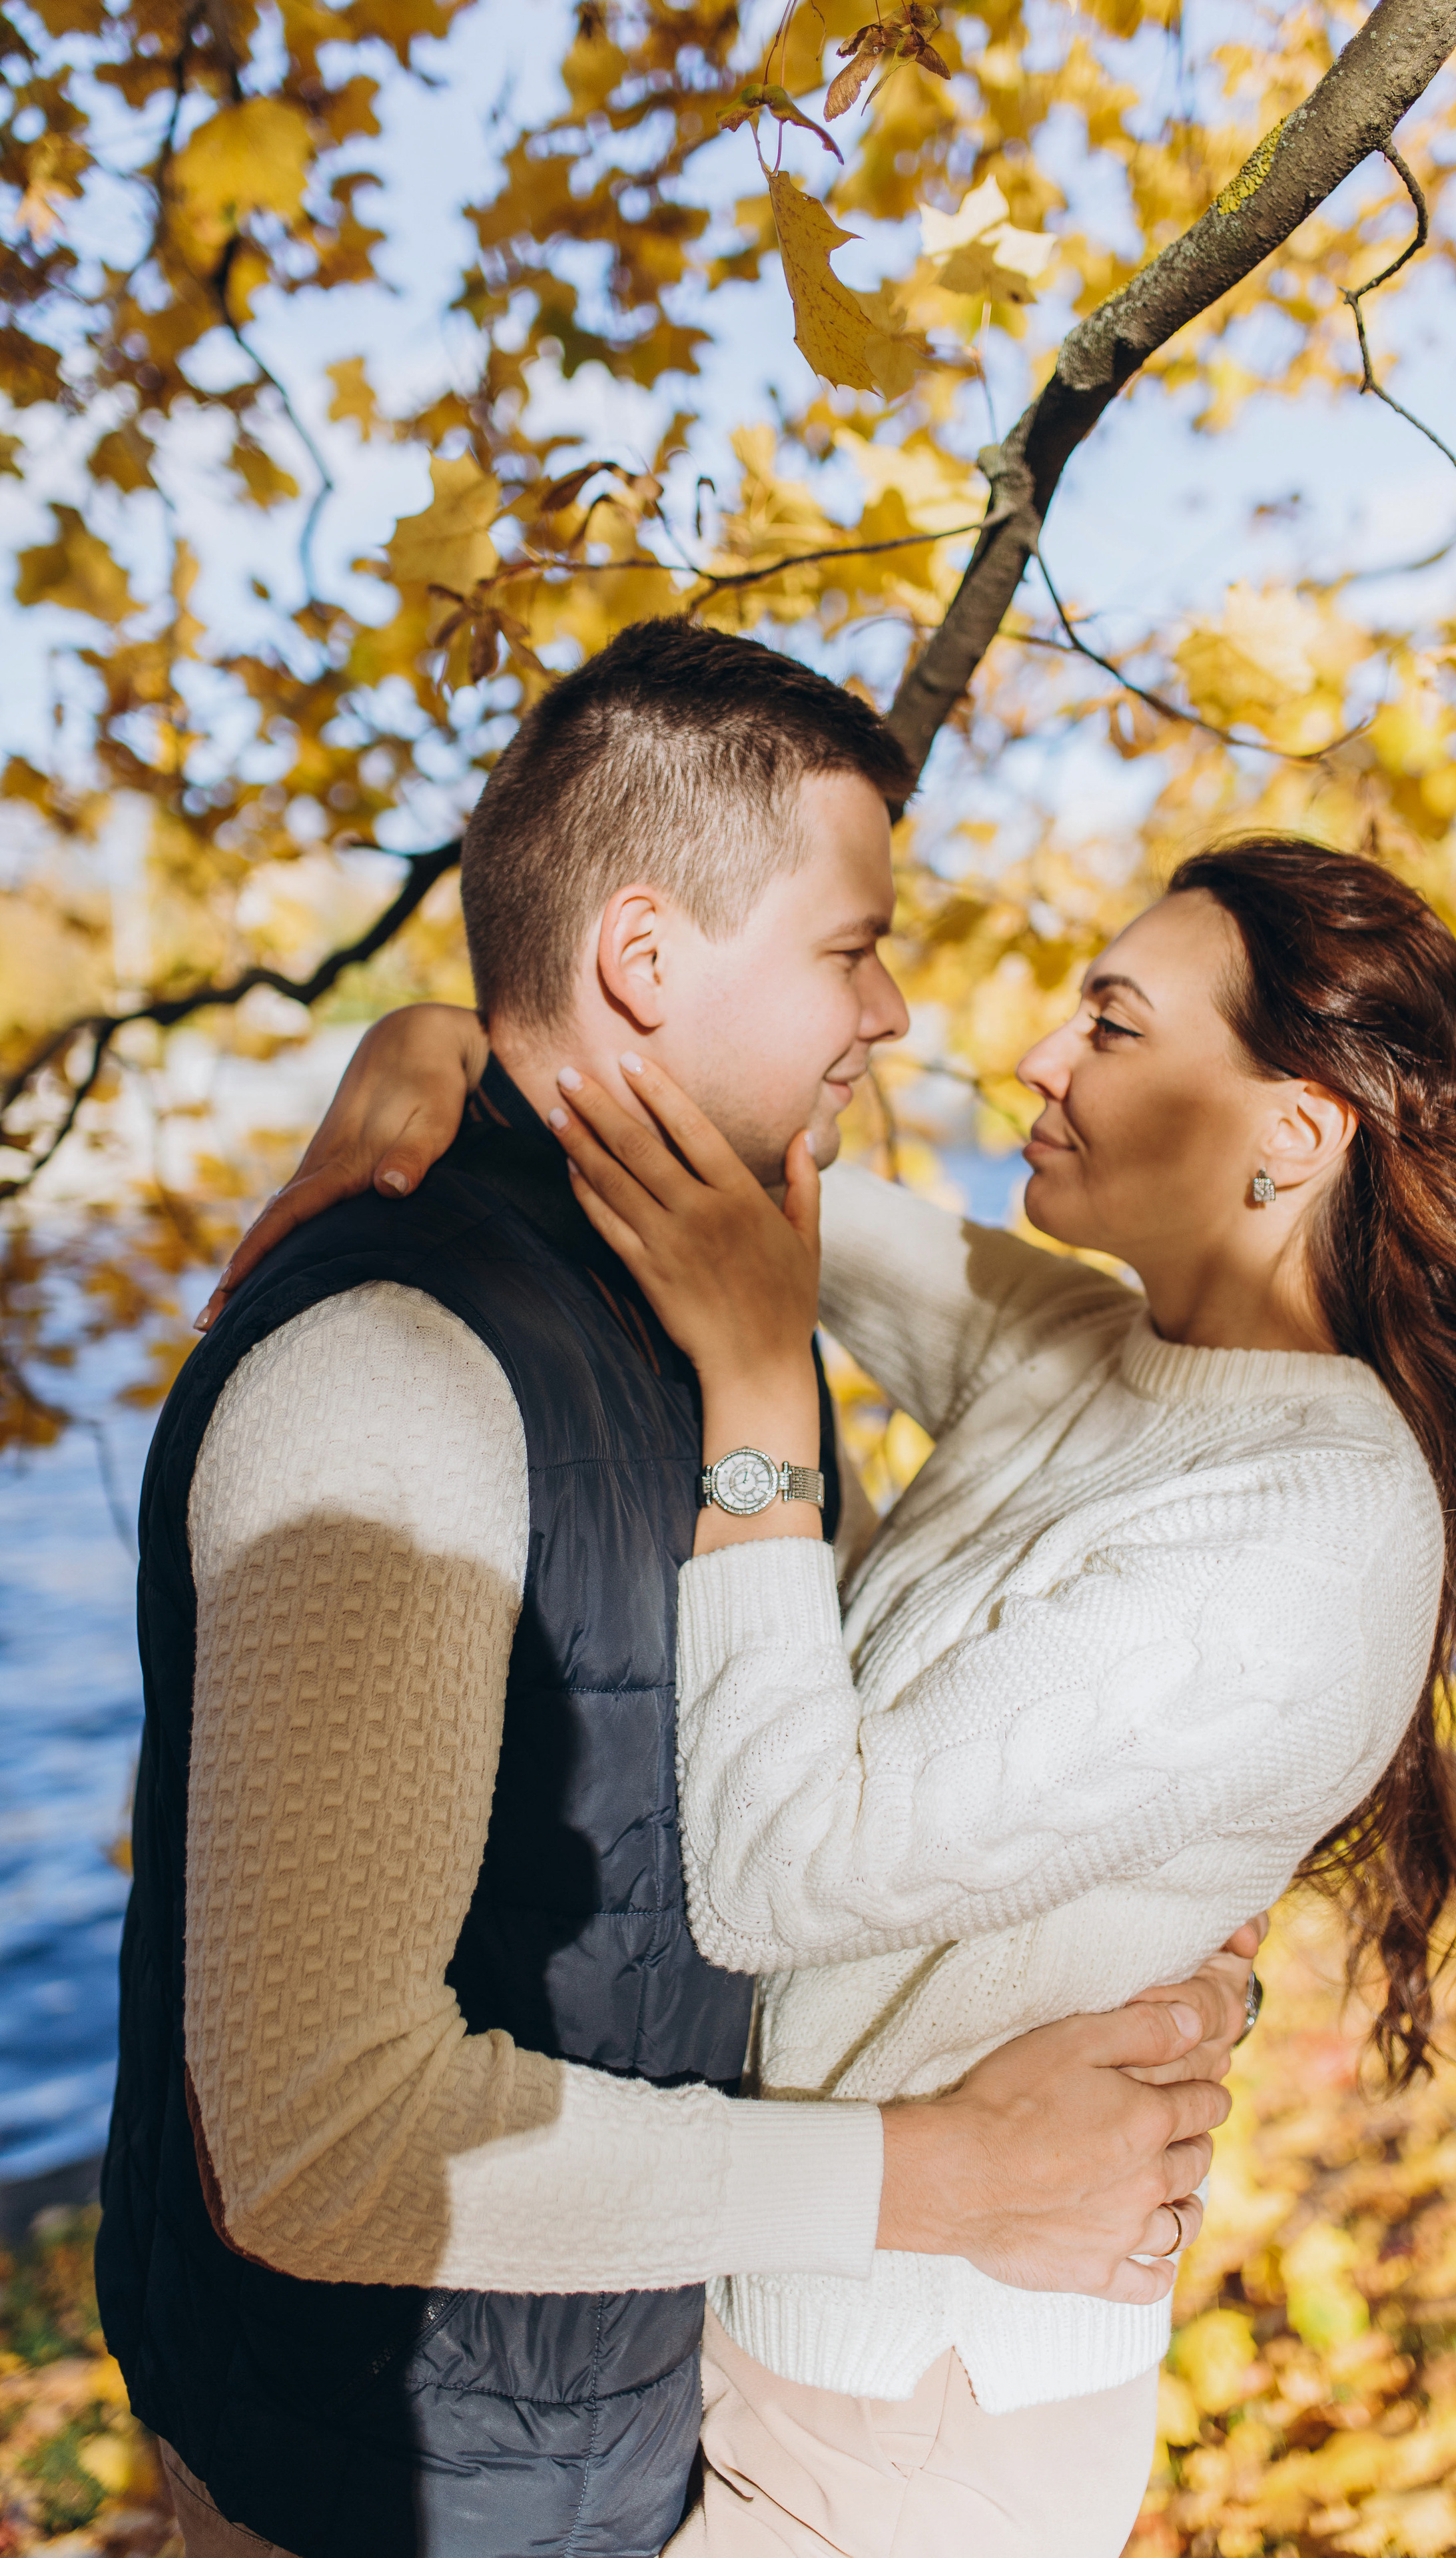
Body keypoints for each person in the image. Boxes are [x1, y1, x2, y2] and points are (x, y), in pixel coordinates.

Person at [222, 827, 1456, 2557]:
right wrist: (441, 1038)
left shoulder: (1312, 1539)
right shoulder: (1092, 1347)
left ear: (1291, 1138)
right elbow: (707, 1177)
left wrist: (759, 1423)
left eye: (1113, 1023)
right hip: (767, 2292)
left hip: (922, 2421)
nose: (1036, 1054)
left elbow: (780, 1872)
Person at [99, 620, 1249, 2558]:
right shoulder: (393, 1380)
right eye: (849, 946)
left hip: (626, 2432)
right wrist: (949, 2180)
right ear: (643, 956)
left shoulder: (737, 1325)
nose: (893, 1014)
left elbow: (815, 1781)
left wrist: (1126, 1933)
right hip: (379, 2486)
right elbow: (314, 2148)